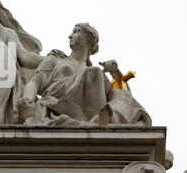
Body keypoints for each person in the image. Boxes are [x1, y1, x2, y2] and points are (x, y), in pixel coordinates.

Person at [19, 23, 151, 126]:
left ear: (88, 39)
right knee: (93, 72)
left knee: (112, 87)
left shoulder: (94, 75)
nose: (70, 36)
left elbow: (124, 95)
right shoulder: (56, 59)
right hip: (60, 102)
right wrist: (27, 102)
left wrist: (115, 73)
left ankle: (97, 122)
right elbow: (35, 81)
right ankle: (96, 122)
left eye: (76, 32)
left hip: (89, 108)